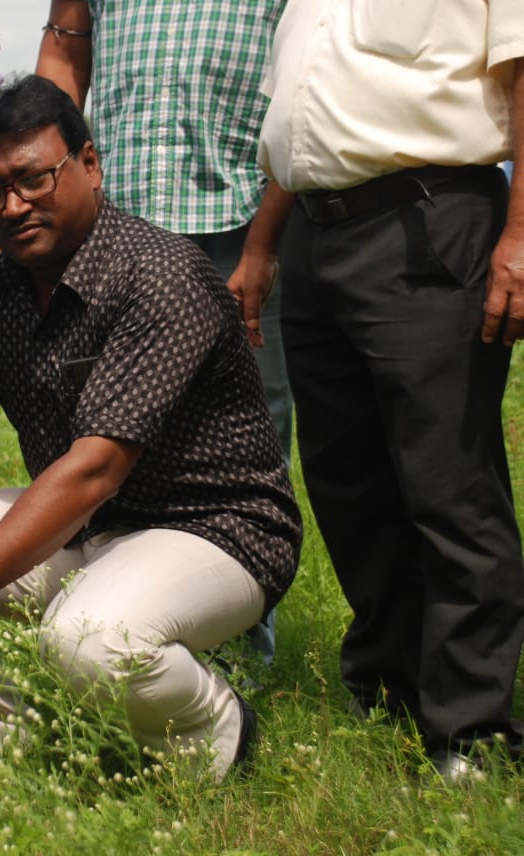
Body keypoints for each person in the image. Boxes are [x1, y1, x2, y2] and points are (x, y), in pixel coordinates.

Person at [0, 76, 301, 782]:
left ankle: (218, 734)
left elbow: (93, 470)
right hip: (86, 534)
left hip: (215, 531)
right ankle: (8, 767)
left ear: (89, 165)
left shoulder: (161, 275)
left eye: (33, 178)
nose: (13, 206)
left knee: (87, 640)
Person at [230, 0, 524, 781]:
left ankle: (473, 732)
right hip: (316, 236)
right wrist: (262, 247)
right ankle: (388, 690)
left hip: (431, 219)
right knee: (348, 483)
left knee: (449, 484)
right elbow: (304, 132)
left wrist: (522, 237)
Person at [33, 0, 292, 661]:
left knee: (242, 440)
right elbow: (63, 52)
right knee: (96, 431)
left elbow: (307, 70)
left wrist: (271, 226)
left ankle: (238, 652)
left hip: (237, 214)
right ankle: (103, 630)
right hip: (112, 219)